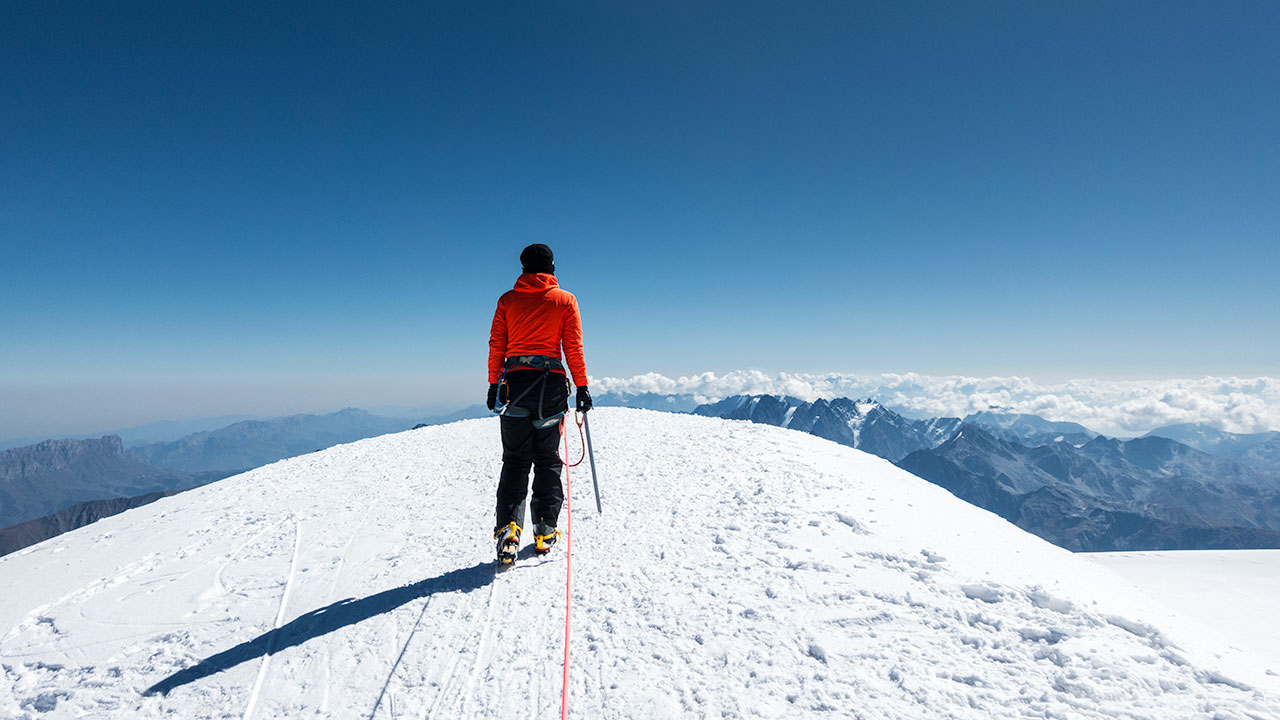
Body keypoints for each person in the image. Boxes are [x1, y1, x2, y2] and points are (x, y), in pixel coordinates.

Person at [487, 244, 592, 564]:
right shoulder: (565, 300)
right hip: (550, 391)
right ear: (552, 267)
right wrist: (583, 386)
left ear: (522, 268)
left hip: (514, 389)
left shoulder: (507, 300)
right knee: (547, 459)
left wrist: (493, 384)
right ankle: (545, 530)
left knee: (515, 461)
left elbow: (497, 344)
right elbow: (572, 345)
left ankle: (508, 530)